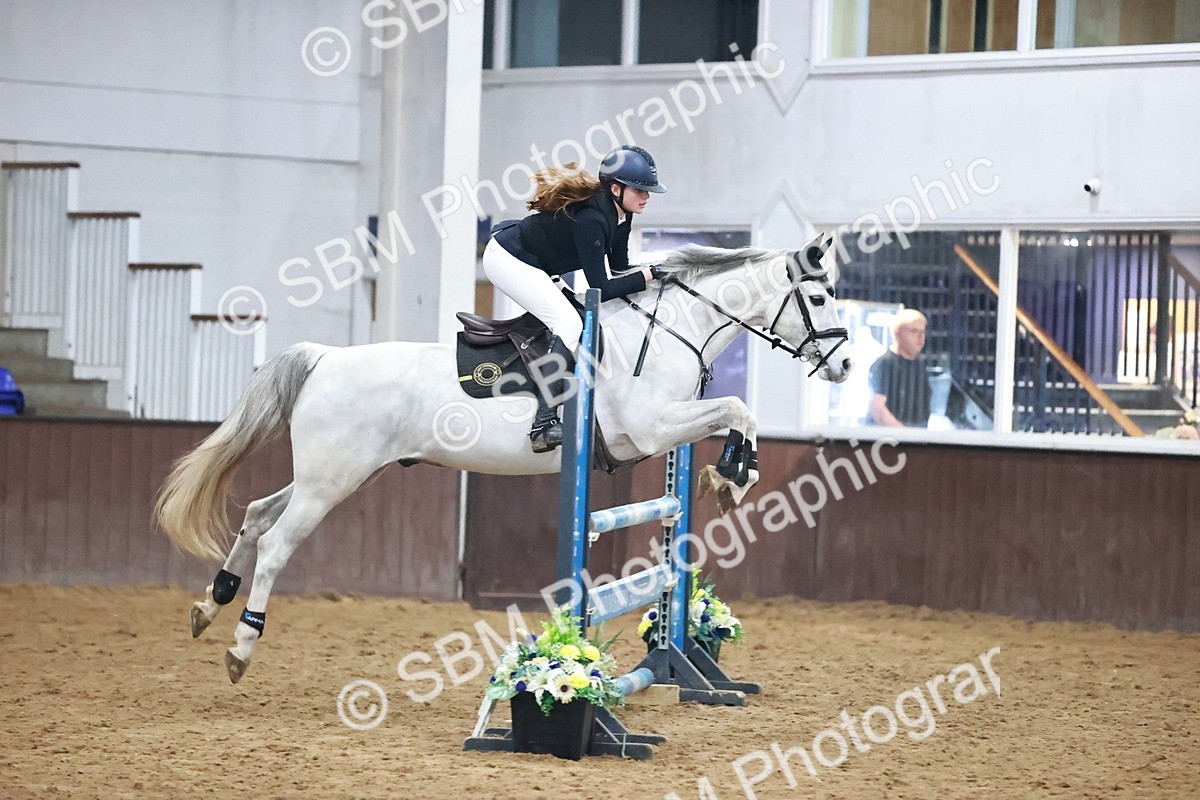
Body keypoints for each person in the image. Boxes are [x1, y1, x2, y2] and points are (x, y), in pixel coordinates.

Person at [484, 145, 666, 453]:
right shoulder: (592, 219)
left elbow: (620, 269)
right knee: (568, 322)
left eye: (648, 191)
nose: (647, 197)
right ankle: (542, 425)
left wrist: (661, 272)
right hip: (507, 259)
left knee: (575, 318)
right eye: (640, 190)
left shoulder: (622, 217)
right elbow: (602, 289)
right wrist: (648, 276)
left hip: (535, 265)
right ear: (616, 188)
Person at [867, 308, 930, 427]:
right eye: (914, 331)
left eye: (923, 332)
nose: (921, 337)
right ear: (897, 333)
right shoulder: (884, 364)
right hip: (888, 440)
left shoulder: (921, 365)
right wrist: (903, 435)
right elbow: (878, 409)